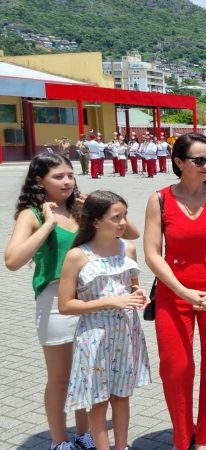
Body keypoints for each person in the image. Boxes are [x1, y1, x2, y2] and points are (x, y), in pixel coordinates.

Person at [4, 153, 128, 450]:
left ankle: (84, 434)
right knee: (60, 378)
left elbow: (130, 232)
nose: (67, 181)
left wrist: (97, 208)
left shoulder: (80, 209)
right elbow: (13, 260)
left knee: (86, 374)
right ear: (39, 181)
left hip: (92, 298)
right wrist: (48, 224)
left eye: (70, 175)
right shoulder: (31, 214)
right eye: (58, 176)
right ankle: (60, 440)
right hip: (55, 301)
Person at [143, 132, 206, 450]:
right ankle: (183, 436)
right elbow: (153, 254)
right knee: (176, 368)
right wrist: (182, 290)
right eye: (199, 160)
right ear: (179, 162)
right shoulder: (159, 200)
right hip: (174, 293)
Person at [59, 191, 151, 450]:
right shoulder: (78, 255)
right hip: (94, 336)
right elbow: (66, 305)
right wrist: (111, 302)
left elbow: (133, 286)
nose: (123, 223)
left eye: (124, 216)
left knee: (122, 398)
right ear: (96, 222)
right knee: (98, 401)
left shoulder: (128, 249)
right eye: (116, 217)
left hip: (126, 333)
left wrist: (139, 294)